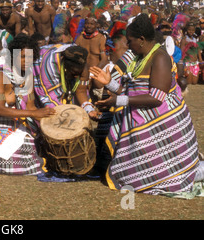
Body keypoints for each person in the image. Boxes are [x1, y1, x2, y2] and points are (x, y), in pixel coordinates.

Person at [90, 14, 201, 195]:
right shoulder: (139, 58)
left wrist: (117, 101)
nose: (127, 45)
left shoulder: (160, 58)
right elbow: (131, 92)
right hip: (143, 124)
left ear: (141, 40)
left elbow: (156, 98)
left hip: (164, 125)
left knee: (171, 175)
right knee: (133, 174)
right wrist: (108, 83)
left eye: (130, 41)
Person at [0, 34, 57, 175]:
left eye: (30, 57)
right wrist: (34, 114)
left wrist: (49, 122)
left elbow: (31, 106)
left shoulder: (27, 76)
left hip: (12, 124)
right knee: (15, 164)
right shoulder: (0, 76)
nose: (27, 61)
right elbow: (1, 110)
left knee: (29, 147)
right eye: (22, 56)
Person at [32, 43, 100, 120]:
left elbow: (81, 91)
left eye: (79, 74)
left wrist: (88, 109)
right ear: (65, 67)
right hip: (41, 63)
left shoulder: (82, 64)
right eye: (74, 73)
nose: (76, 77)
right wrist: (66, 115)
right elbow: (49, 96)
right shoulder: (50, 64)